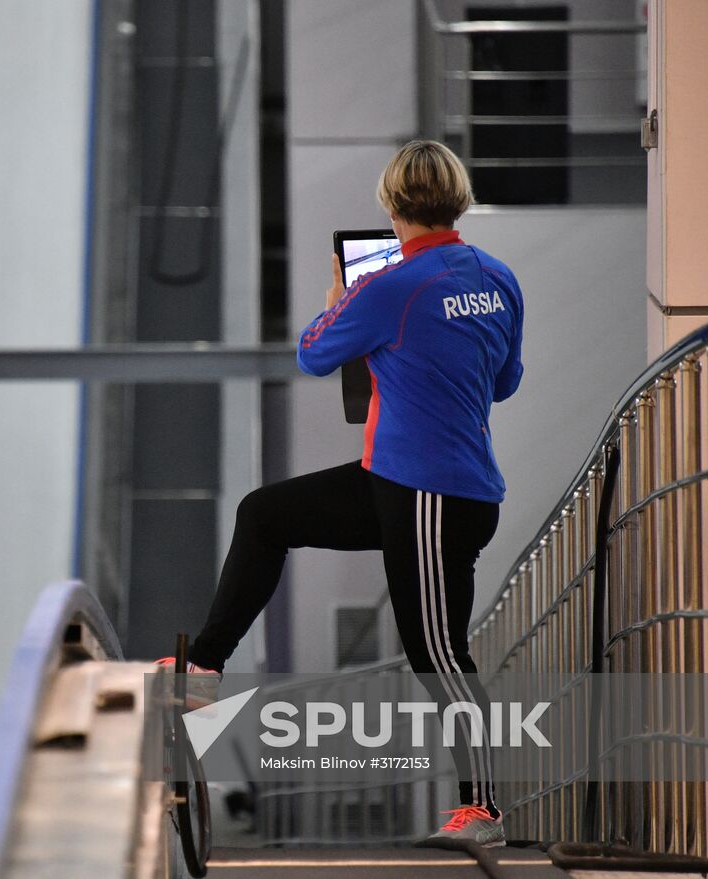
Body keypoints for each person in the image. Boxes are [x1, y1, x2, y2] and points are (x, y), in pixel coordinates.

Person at [163, 141, 523, 847]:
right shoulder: (497, 277)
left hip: (429, 494)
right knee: (266, 514)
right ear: (459, 200)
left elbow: (314, 351)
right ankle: (205, 666)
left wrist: (338, 301)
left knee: (437, 653)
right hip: (419, 483)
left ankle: (483, 809)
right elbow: (505, 380)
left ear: (392, 208)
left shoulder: (388, 288)